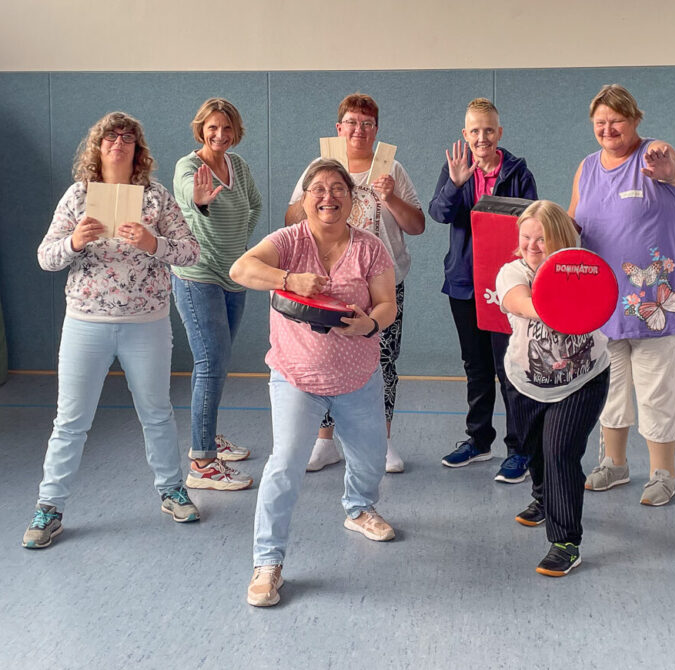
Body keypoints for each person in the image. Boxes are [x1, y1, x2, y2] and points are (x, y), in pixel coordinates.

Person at [23, 111, 202, 549]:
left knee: (156, 411)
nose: (118, 143)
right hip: (86, 322)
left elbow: (190, 252)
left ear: (138, 149)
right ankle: (49, 507)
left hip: (146, 322)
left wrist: (153, 243)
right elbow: (46, 257)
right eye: (110, 137)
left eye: (127, 137)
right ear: (98, 147)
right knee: (71, 420)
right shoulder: (78, 195)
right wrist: (74, 242)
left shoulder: (155, 197)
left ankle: (172, 490)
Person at [232, 159, 398, 607]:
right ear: (304, 199)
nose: (329, 196)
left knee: (371, 457)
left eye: (338, 188)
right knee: (285, 464)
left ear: (352, 198)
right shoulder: (287, 241)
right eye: (318, 189)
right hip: (296, 376)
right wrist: (289, 279)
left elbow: (387, 304)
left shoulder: (370, 247)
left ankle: (359, 508)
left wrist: (369, 324)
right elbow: (241, 270)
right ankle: (267, 562)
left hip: (357, 375)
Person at [567, 84, 675, 506]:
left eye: (617, 120)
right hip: (603, 303)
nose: (608, 129)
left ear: (635, 119)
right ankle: (615, 464)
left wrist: (667, 167)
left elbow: (672, 173)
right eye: (600, 122)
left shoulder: (655, 158)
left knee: (658, 393)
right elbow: (573, 223)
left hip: (655, 304)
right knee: (610, 390)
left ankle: (663, 474)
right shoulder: (587, 167)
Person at [284, 93, 425, 475]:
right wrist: (316, 194)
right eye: (352, 122)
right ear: (339, 128)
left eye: (367, 124)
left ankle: (383, 441)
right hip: (330, 283)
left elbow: (416, 225)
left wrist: (390, 197)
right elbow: (291, 218)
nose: (359, 130)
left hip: (383, 285)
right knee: (324, 358)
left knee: (384, 362)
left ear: (376, 129)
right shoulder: (319, 168)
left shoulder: (392, 168)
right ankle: (325, 441)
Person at [496, 200, 610, 576]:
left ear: (560, 238)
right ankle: (544, 498)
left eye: (541, 239)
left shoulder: (584, 269)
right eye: (526, 237)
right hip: (525, 381)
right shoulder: (512, 271)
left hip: (582, 380)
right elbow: (518, 301)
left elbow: (606, 300)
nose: (531, 245)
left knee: (560, 451)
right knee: (533, 450)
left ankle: (565, 542)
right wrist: (555, 306)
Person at [428, 98, 538, 483]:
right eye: (474, 130)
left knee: (510, 368)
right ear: (465, 134)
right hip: (463, 285)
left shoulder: (518, 173)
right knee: (475, 367)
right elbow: (438, 213)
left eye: (488, 130)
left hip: (507, 289)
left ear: (499, 132)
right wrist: (455, 184)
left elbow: (532, 226)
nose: (481, 137)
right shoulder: (454, 170)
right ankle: (479, 440)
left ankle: (520, 449)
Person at [171, 98, 261, 492]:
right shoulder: (188, 167)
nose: (219, 135)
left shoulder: (238, 166)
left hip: (233, 275)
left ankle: (207, 435)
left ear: (235, 131)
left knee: (217, 363)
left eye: (226, 128)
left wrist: (239, 246)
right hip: (198, 275)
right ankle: (202, 464)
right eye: (212, 128)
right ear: (201, 130)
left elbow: (254, 205)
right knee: (211, 361)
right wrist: (200, 201)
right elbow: (188, 201)